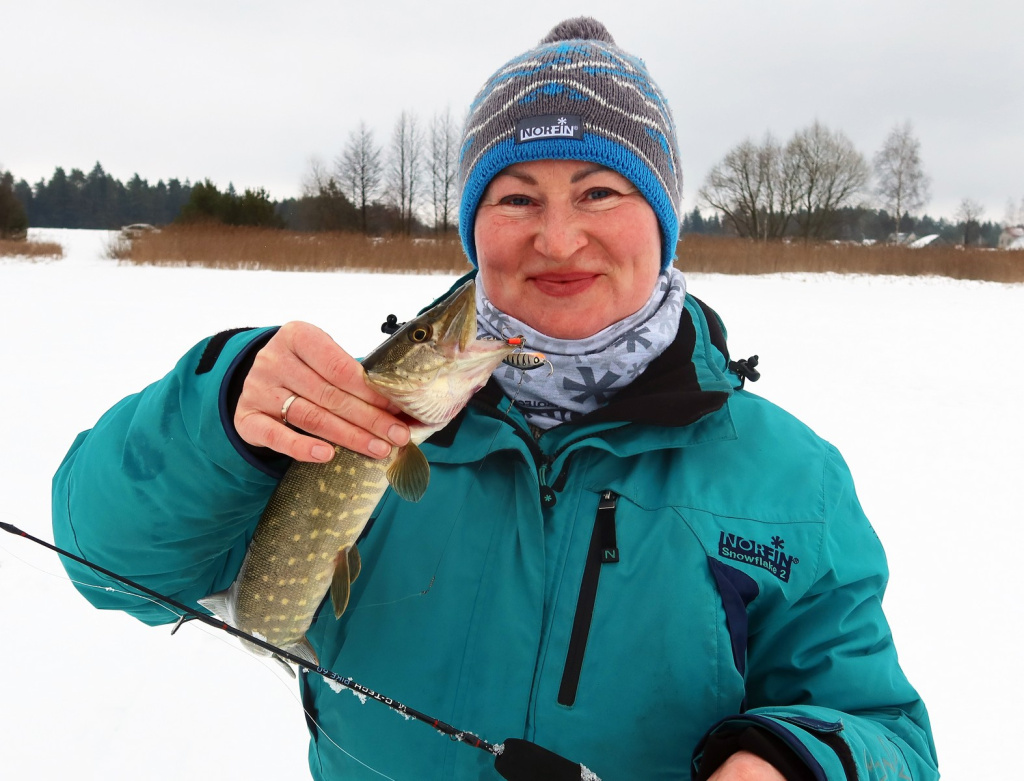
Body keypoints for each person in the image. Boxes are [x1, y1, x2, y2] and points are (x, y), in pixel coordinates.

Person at [52, 17, 938, 781]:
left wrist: (795, 759)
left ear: (663, 219)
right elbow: (106, 559)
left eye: (600, 190)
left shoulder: (793, 479)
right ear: (475, 224)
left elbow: (881, 729)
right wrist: (218, 416)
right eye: (517, 196)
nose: (559, 237)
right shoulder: (328, 410)